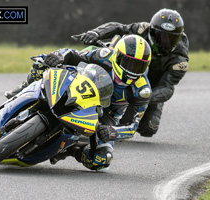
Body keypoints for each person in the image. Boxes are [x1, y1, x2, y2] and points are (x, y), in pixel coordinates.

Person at [42, 34, 152, 171]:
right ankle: (23, 89)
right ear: (117, 56)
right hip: (82, 89)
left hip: (106, 115)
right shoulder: (105, 55)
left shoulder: (142, 90)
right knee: (42, 62)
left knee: (102, 159)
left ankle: (71, 150)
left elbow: (132, 127)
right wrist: (59, 55)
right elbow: (74, 54)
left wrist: (112, 132)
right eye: (128, 62)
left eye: (139, 66)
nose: (132, 70)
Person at [79, 8, 189, 137]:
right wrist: (96, 33)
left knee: (149, 127)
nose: (165, 43)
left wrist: (143, 98)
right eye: (161, 37)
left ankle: (116, 127)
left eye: (171, 39)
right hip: (121, 68)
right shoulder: (142, 29)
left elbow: (167, 88)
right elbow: (119, 28)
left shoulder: (180, 60)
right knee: (94, 57)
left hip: (148, 87)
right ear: (152, 31)